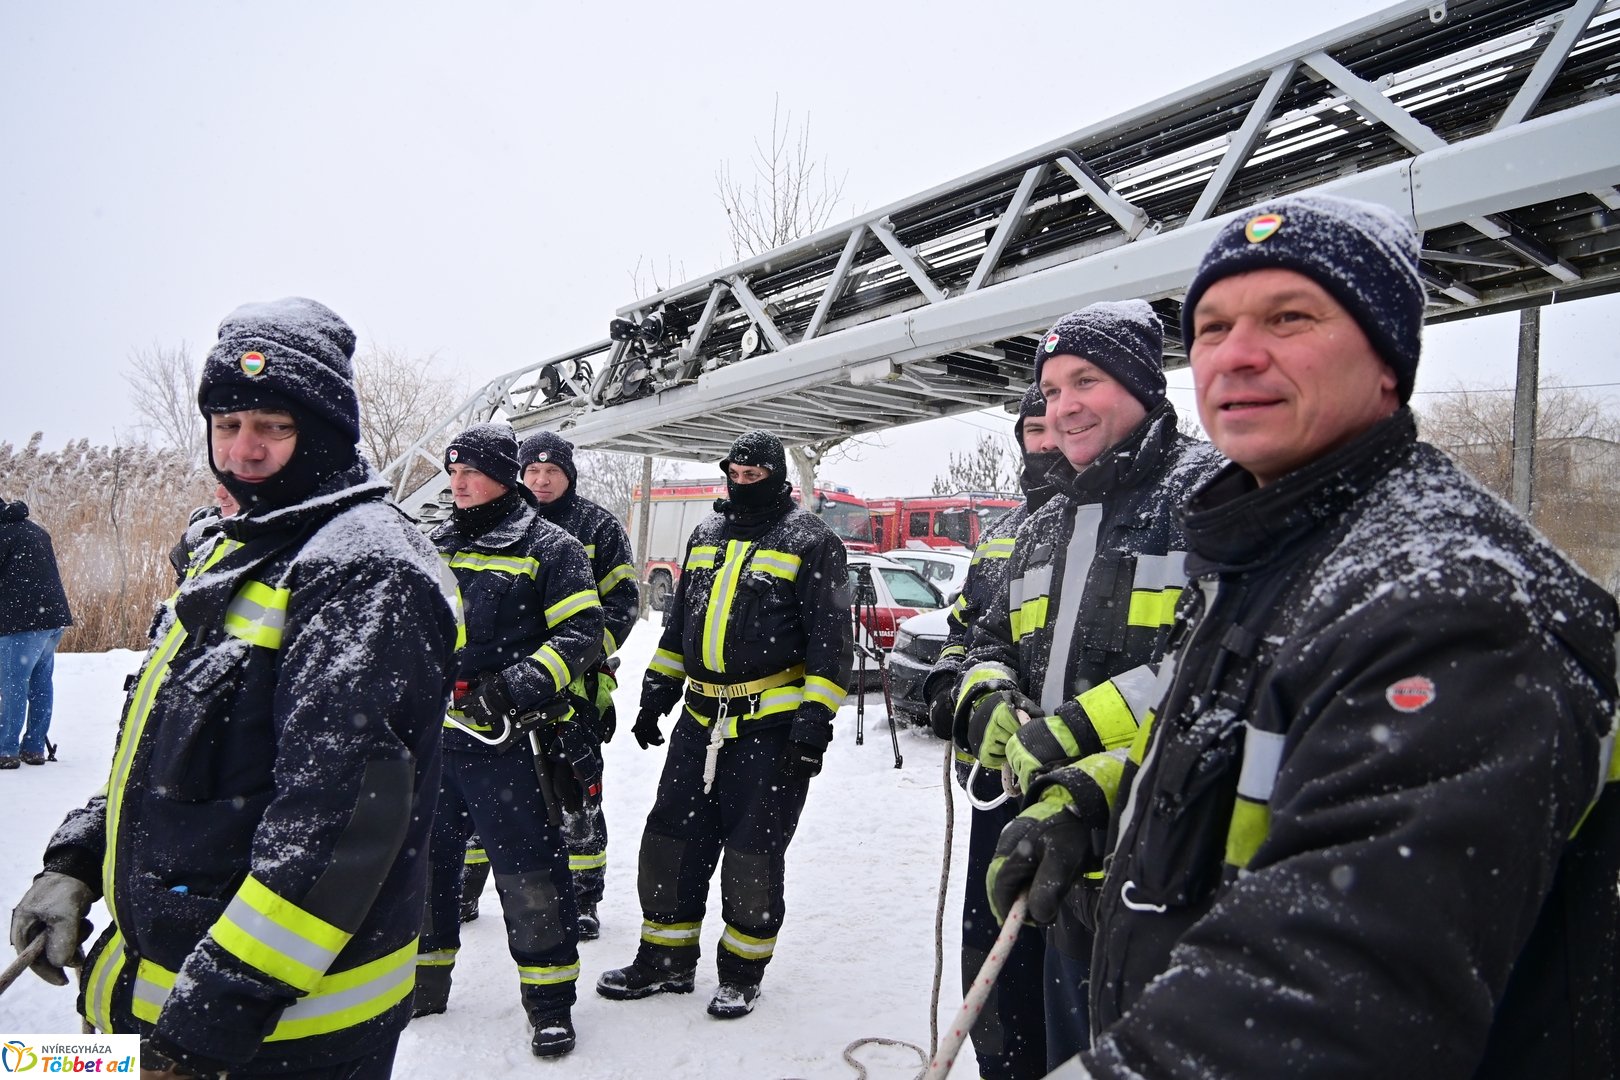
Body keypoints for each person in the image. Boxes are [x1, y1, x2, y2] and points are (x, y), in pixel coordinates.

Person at [995, 195, 1620, 1080]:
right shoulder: (1278, 553)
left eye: (1291, 317)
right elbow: (1245, 745)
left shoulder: (1455, 606)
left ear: (1388, 360)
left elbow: (1339, 989)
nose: (1238, 352)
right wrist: (1101, 799)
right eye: (1211, 326)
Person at [8, 297, 462, 1077]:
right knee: (28, 1067)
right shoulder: (236, 549)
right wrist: (77, 859)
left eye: (272, 427)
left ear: (321, 432)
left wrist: (202, 1031)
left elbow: (336, 828)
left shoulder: (364, 569)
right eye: (226, 425)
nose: (243, 451)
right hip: (150, 1009)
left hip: (269, 1041)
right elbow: (159, 756)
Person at [957, 300, 1222, 1065]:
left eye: (1086, 381)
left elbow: (1214, 663)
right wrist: (987, 694)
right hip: (1054, 847)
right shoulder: (1045, 522)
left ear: (1144, 384)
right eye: (1050, 391)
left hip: (1159, 846)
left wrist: (1071, 732)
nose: (1063, 407)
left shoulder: (1207, 494)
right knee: (1050, 1040)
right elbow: (990, 637)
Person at [597, 430, 851, 1019]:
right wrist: (656, 694)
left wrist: (813, 728)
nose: (741, 484)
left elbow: (830, 645)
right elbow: (680, 624)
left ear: (776, 475)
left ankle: (741, 972)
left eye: (753, 475)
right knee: (670, 840)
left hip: (771, 727)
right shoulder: (707, 534)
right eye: (733, 474)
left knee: (751, 853)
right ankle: (664, 960)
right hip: (698, 718)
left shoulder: (812, 541)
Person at [414, 421, 604, 1058]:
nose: (459, 483)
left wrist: (512, 686)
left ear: (502, 475)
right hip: (434, 744)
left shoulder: (552, 547)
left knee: (529, 878)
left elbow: (581, 636)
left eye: (472, 471)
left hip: (510, 745)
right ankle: (423, 981)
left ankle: (549, 1004)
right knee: (426, 870)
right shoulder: (432, 542)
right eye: (453, 472)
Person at [920, 383, 1065, 1080]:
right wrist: (957, 689)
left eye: (1055, 425)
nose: (1046, 440)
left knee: (1065, 954)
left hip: (1078, 791)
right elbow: (967, 634)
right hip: (994, 785)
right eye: (1033, 429)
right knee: (992, 943)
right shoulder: (1005, 537)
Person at [458, 431, 635, 942]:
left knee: (575, 789)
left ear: (568, 474)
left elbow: (620, 602)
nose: (540, 480)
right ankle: (467, 886)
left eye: (551, 471)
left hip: (571, 689)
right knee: (481, 791)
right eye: (531, 472)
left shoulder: (596, 526)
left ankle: (582, 898)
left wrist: (582, 658)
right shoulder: (502, 523)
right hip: (502, 686)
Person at [0, 497, 73, 768]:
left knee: (13, 684)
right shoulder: (35, 530)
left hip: (22, 623)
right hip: (51, 619)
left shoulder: (3, 534)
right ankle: (33, 748)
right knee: (41, 683)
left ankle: (5, 750)